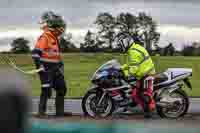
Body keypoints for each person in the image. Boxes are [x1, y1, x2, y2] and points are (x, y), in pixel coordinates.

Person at [32, 11, 67, 117]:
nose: (62, 30)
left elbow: (55, 54)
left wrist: (60, 64)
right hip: (46, 69)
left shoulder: (55, 38)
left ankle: (59, 113)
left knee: (62, 88)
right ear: (55, 28)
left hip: (55, 68)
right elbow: (35, 53)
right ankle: (41, 113)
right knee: (46, 90)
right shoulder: (45, 37)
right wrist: (40, 67)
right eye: (61, 28)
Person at [116, 32, 156, 118]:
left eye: (122, 43)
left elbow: (133, 69)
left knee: (144, 93)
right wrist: (120, 68)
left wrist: (123, 74)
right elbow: (130, 65)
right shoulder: (132, 50)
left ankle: (150, 110)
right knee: (135, 95)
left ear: (127, 42)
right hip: (141, 75)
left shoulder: (133, 52)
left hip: (147, 74)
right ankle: (144, 108)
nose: (121, 46)